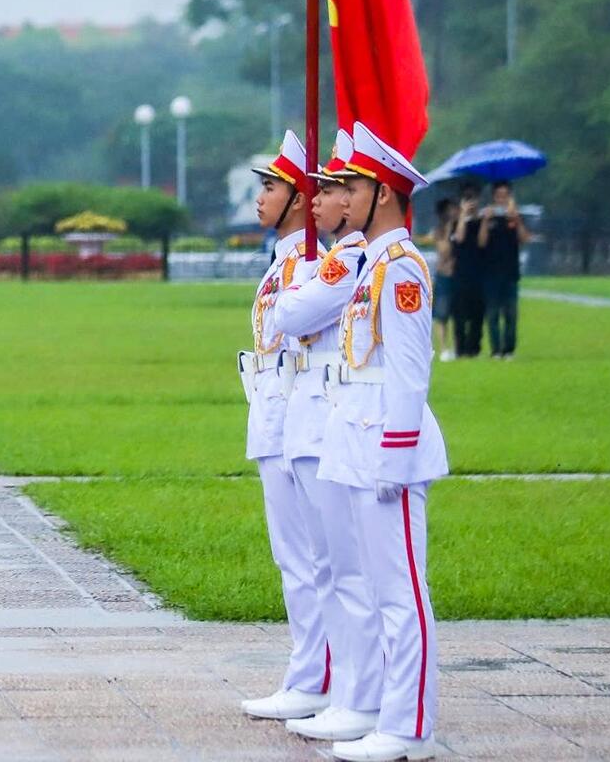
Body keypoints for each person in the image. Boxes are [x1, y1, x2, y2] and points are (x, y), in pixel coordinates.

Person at [317, 122, 447, 762]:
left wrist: (395, 454)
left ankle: (411, 726)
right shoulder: (372, 262)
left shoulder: (402, 268)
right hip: (358, 437)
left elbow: (410, 370)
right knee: (373, 585)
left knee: (402, 593)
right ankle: (380, 710)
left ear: (384, 194)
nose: (341, 194)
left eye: (352, 184)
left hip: (387, 445)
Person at [275, 131, 383, 745]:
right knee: (328, 565)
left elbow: (291, 317)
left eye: (338, 188)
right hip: (317, 413)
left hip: (336, 412)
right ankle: (341, 689)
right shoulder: (338, 256)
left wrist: (306, 285)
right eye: (323, 185)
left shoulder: (350, 257)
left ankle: (357, 694)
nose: (320, 197)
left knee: (346, 569)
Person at [237, 130, 331, 724]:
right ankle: (311, 672)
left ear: (298, 198)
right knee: (292, 556)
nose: (261, 197)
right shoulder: (285, 259)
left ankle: (317, 677)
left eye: (271, 187)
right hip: (273, 407)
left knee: (315, 558)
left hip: (301, 409)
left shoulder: (312, 260)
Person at [476, 182, 531, 360]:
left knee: (511, 313)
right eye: (499, 195)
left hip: (510, 272)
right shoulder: (488, 216)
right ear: (494, 197)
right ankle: (496, 350)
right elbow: (481, 243)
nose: (502, 199)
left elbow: (524, 238)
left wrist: (516, 219)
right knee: (492, 313)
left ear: (510, 197)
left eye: (505, 195)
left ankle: (509, 349)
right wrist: (485, 220)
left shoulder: (514, 217)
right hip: (490, 273)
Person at [447, 185, 485, 358]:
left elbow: (482, 243)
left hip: (479, 272)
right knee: (460, 314)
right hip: (460, 274)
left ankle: (474, 348)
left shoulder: (481, 222)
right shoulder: (456, 223)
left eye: (473, 199)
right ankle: (460, 348)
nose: (471, 203)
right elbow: (459, 238)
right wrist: (463, 215)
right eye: (467, 199)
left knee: (477, 313)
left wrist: (482, 219)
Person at [430, 199, 457, 363]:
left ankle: (457, 346)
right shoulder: (439, 231)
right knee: (442, 313)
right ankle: (444, 347)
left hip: (459, 275)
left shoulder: (462, 227)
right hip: (444, 276)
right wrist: (448, 230)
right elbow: (444, 252)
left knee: (458, 313)